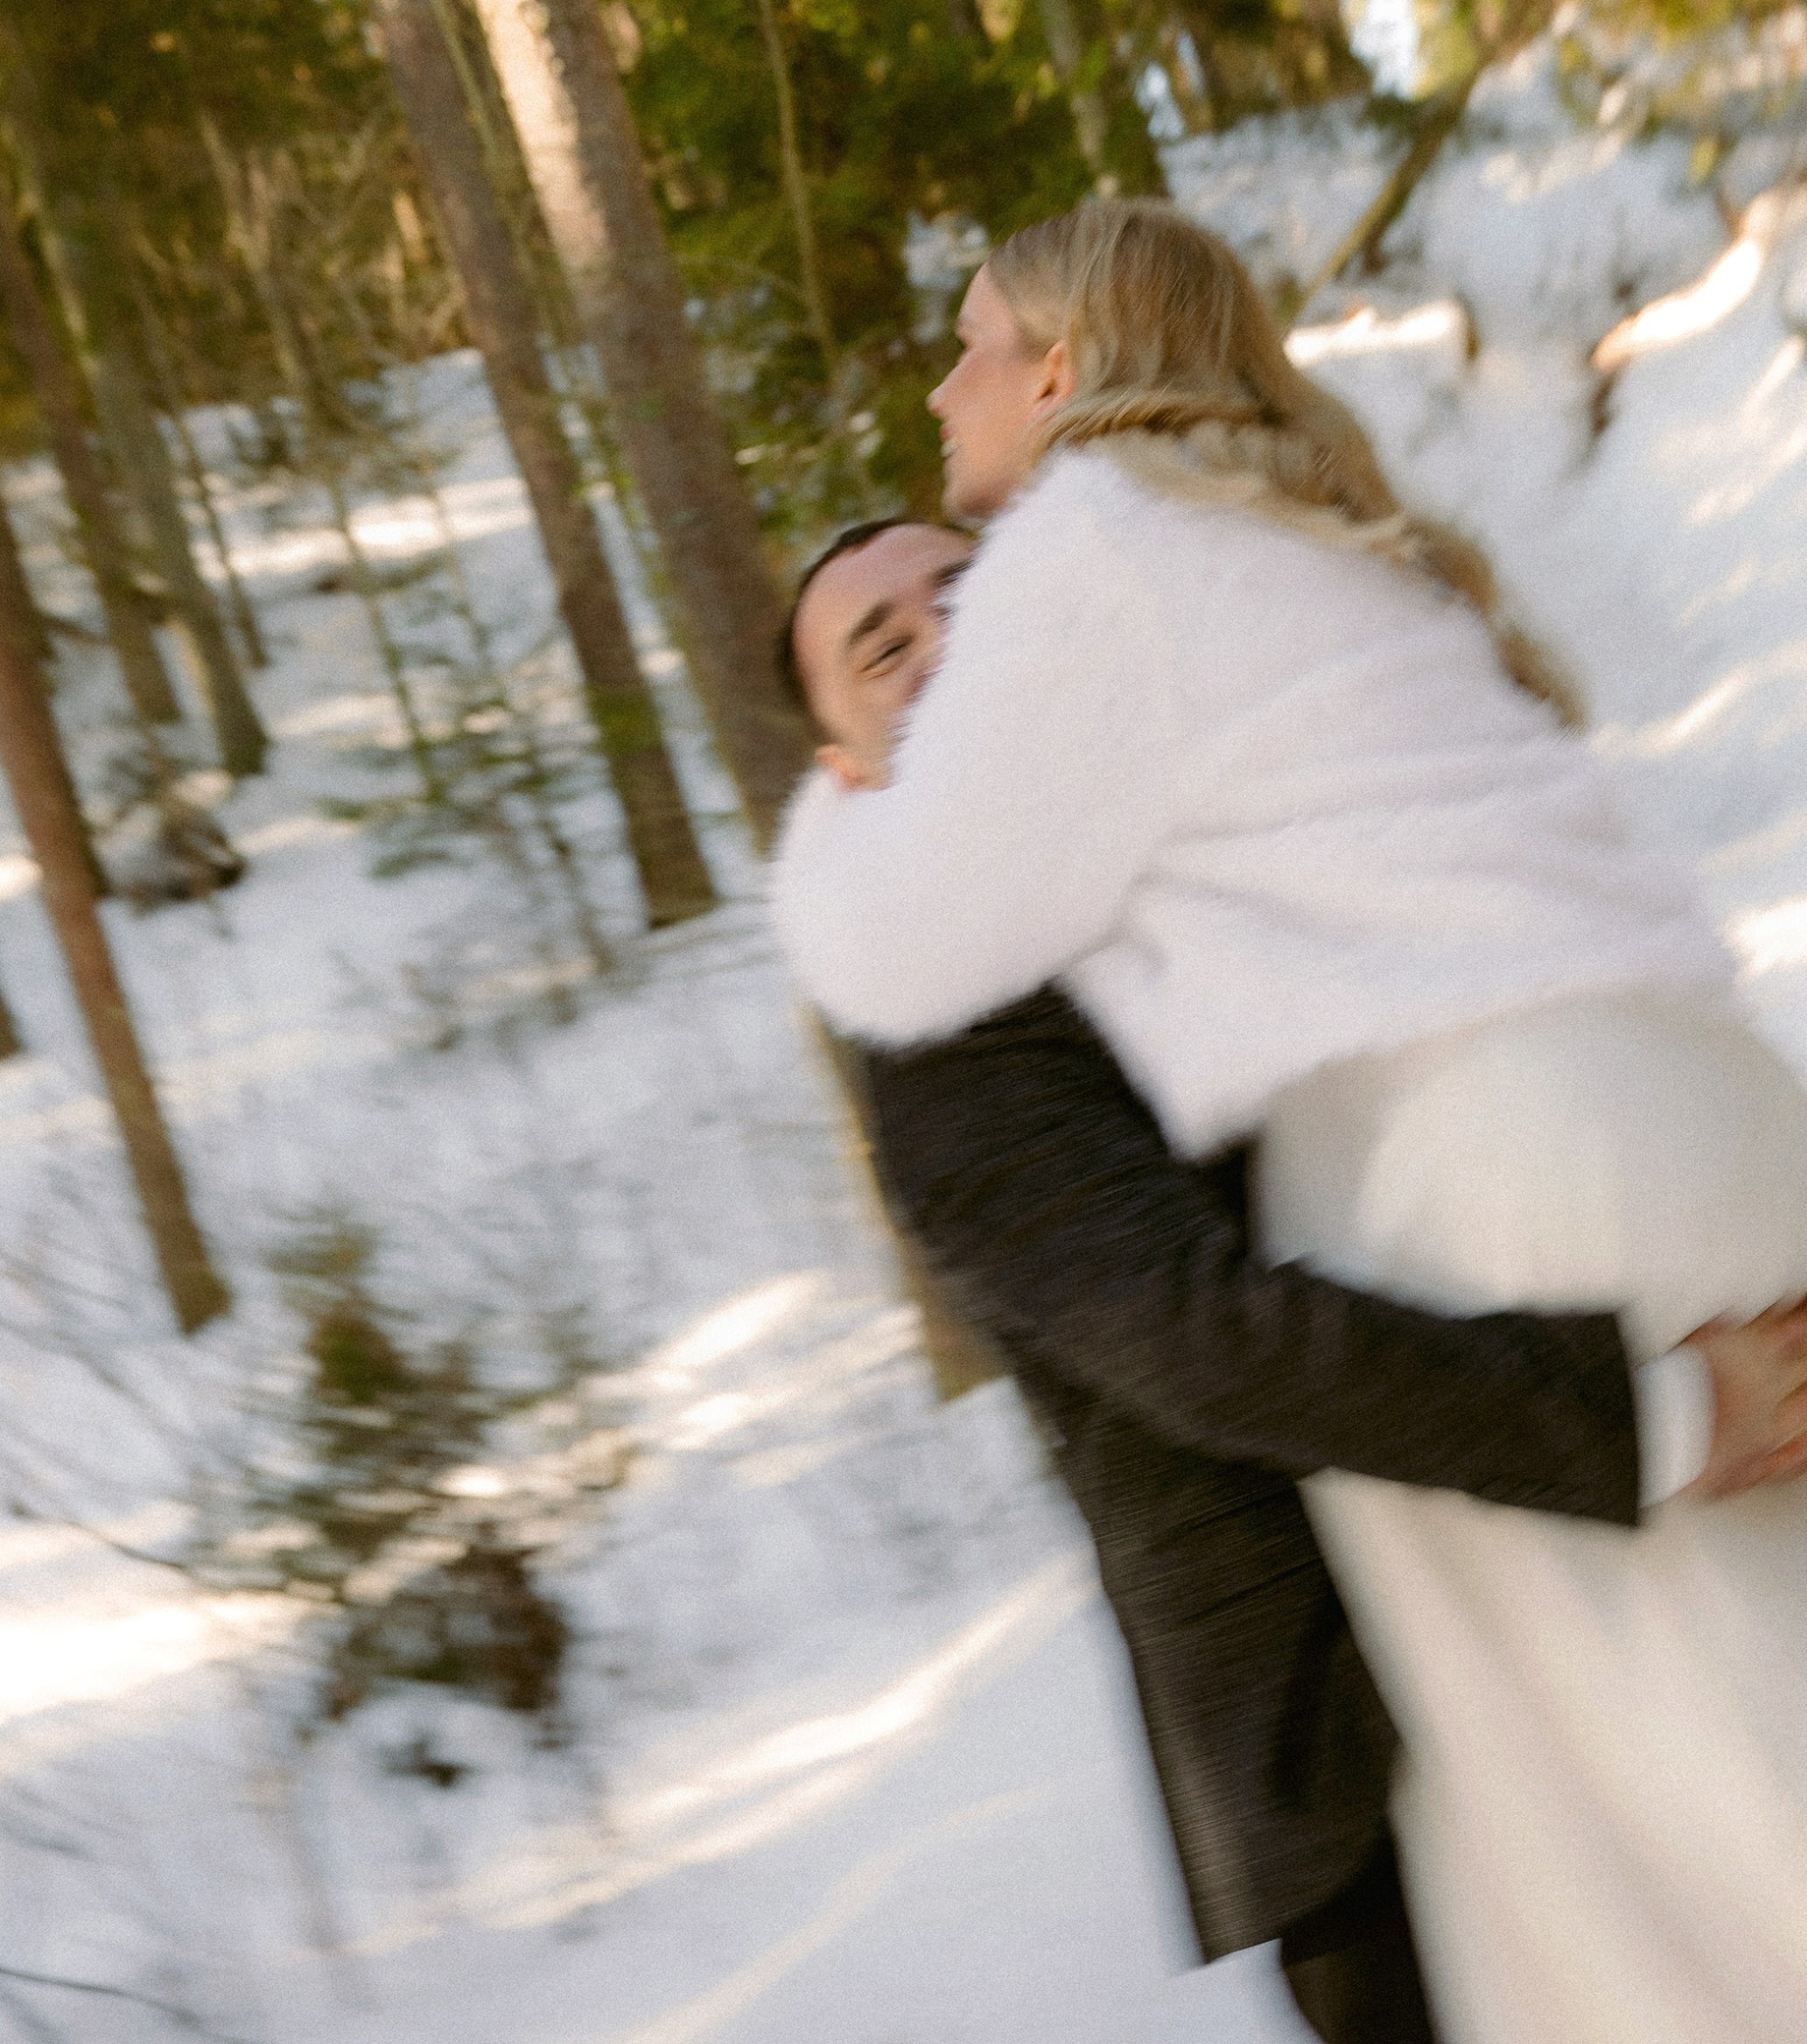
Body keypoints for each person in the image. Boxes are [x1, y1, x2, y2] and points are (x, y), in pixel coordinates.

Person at [771, 199, 1807, 2044]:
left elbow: (889, 939)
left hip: (1539, 1268)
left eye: (959, 598)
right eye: (879, 647)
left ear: (1062, 375)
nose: (947, 637)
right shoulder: (1283, 552)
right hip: (1674, 1177)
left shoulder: (1099, 564)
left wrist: (833, 836)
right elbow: (1185, 1329)